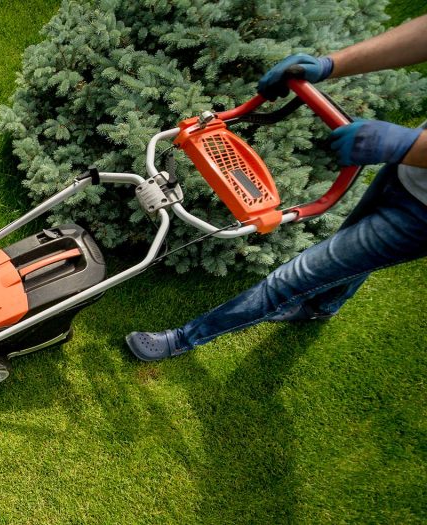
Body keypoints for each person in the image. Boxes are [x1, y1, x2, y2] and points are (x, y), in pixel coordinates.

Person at [125, 14, 427, 361]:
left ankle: (183, 338)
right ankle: (325, 305)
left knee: (293, 278)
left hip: (421, 214)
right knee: (357, 245)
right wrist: (328, 65)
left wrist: (409, 145)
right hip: (410, 172)